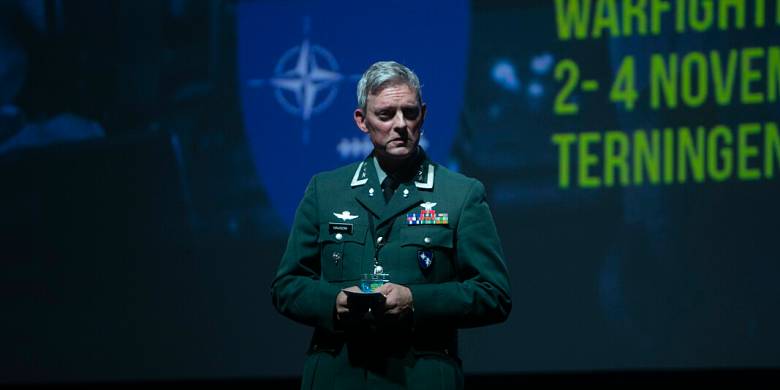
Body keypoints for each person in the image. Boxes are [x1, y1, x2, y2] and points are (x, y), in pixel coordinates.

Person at [271, 61, 511, 389]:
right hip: (338, 376)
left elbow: (493, 295)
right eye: (386, 114)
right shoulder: (325, 191)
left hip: (420, 377)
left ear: (423, 115)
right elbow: (286, 286)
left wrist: (415, 301)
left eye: (410, 113)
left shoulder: (460, 194)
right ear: (362, 121)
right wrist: (336, 302)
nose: (401, 125)